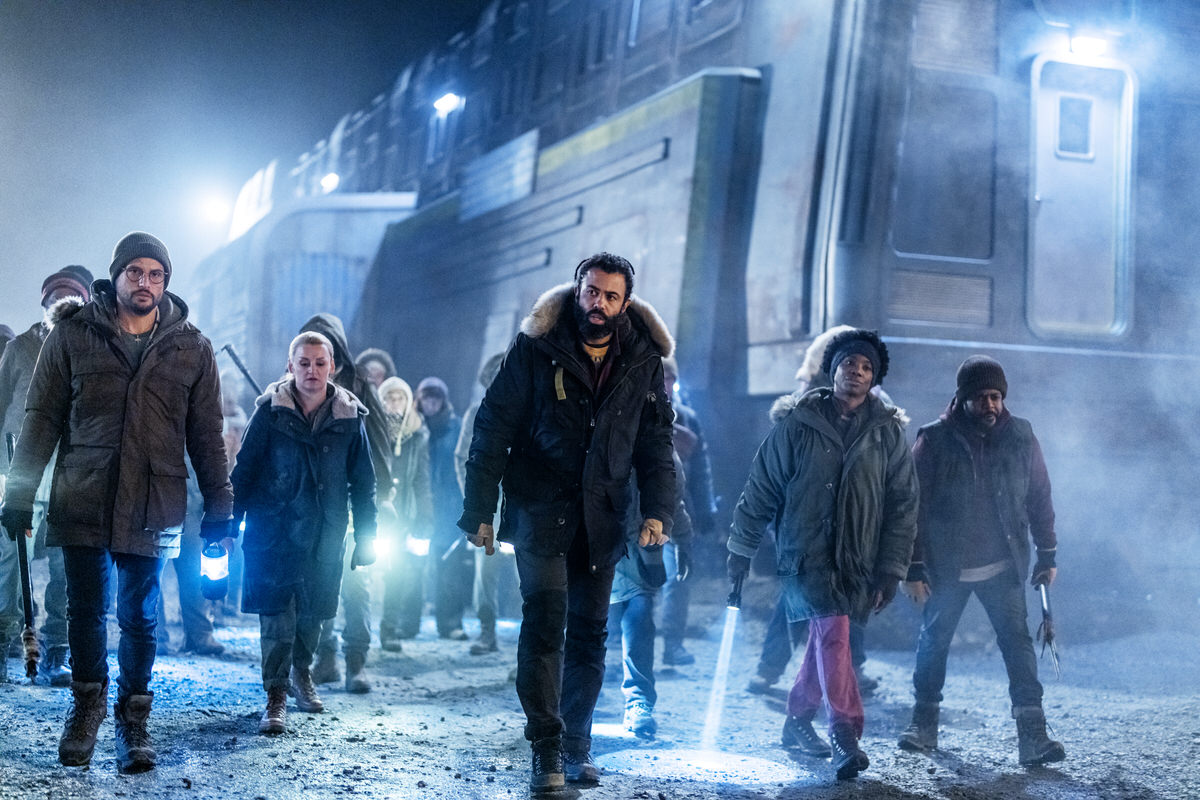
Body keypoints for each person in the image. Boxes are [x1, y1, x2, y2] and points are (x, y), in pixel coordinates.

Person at [0, 233, 233, 773]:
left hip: (154, 500)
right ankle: (86, 709)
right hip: (84, 493)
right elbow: (41, 420)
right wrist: (19, 493)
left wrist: (219, 504)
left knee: (140, 616)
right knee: (85, 610)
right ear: (117, 276)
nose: (145, 283)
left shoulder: (191, 348)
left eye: (156, 274)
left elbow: (206, 433)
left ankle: (134, 718)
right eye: (135, 272)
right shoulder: (73, 335)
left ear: (166, 282)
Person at [458, 252, 676, 790]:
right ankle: (547, 747)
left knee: (589, 634)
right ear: (576, 290)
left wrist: (658, 509)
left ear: (625, 304)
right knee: (544, 624)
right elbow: (492, 427)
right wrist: (479, 509)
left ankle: (578, 743)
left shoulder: (642, 360)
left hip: (602, 515)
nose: (596, 303)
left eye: (609, 295)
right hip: (539, 510)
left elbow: (655, 442)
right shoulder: (536, 348)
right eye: (590, 291)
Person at [727, 328, 917, 781]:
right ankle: (845, 733)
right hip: (805, 553)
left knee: (823, 639)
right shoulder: (797, 425)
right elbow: (761, 488)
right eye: (849, 363)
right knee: (834, 635)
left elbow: (903, 504)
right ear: (831, 371)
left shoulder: (887, 434)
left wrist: (892, 567)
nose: (856, 372)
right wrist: (741, 549)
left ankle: (796, 721)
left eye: (866, 367)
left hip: (858, 558)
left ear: (875, 378)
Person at [898, 355, 1065, 766]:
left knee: (1018, 647)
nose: (990, 405)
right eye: (980, 398)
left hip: (1002, 564)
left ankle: (1034, 737)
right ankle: (923, 725)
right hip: (946, 567)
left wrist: (1047, 553)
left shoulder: (1021, 435)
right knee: (934, 643)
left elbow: (1039, 496)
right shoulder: (934, 440)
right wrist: (914, 567)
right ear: (962, 398)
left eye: (995, 397)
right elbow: (913, 506)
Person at [231, 331, 377, 735]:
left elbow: (363, 483)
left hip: (324, 533)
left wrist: (367, 536)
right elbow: (243, 473)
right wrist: (226, 525)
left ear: (333, 367)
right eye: (304, 362)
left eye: (319, 362)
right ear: (289, 366)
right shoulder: (269, 414)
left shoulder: (349, 419)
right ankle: (275, 695)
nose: (311, 370)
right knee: (276, 617)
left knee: (313, 614)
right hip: (273, 531)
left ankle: (301, 672)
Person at [0, 267, 92, 685]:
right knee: (7, 566)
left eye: (71, 296)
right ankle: (5, 643)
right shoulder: (19, 348)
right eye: (54, 296)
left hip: (73, 477)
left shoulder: (94, 347)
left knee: (66, 568)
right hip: (21, 473)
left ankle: (57, 648)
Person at [300, 315, 392, 693]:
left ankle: (357, 662)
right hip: (310, 507)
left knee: (356, 584)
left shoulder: (358, 389)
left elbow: (379, 444)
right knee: (315, 585)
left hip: (351, 504)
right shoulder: (296, 388)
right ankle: (325, 659)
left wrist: (379, 497)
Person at [607, 450, 691, 739]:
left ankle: (638, 701)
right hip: (592, 538)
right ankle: (568, 705)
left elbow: (670, 495)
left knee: (639, 618)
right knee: (582, 624)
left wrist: (683, 539)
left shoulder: (657, 440)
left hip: (637, 545)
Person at [453, 352, 518, 655]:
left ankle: (532, 638)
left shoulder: (529, 410)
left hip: (523, 500)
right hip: (490, 502)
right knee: (486, 569)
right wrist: (475, 501)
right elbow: (463, 456)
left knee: (530, 570)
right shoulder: (477, 412)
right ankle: (486, 630)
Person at [657, 356, 716, 667]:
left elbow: (701, 469)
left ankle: (673, 644)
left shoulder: (688, 419)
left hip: (677, 511)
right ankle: (612, 648)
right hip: (637, 515)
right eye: (659, 377)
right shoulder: (630, 409)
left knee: (677, 580)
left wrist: (705, 510)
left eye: (668, 378)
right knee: (630, 585)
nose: (664, 384)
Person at [377, 376, 433, 650]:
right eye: (389, 397)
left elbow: (422, 477)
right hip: (375, 508)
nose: (394, 403)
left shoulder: (417, 432)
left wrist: (425, 513)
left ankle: (389, 629)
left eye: (400, 398)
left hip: (403, 512)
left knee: (397, 573)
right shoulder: (372, 428)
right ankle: (354, 629)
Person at [417, 376, 470, 640]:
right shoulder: (413, 427)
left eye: (435, 398)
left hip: (449, 508)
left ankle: (450, 623)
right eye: (426, 398)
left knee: (450, 570)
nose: (431, 404)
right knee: (410, 567)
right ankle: (406, 623)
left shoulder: (457, 427)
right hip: (420, 507)